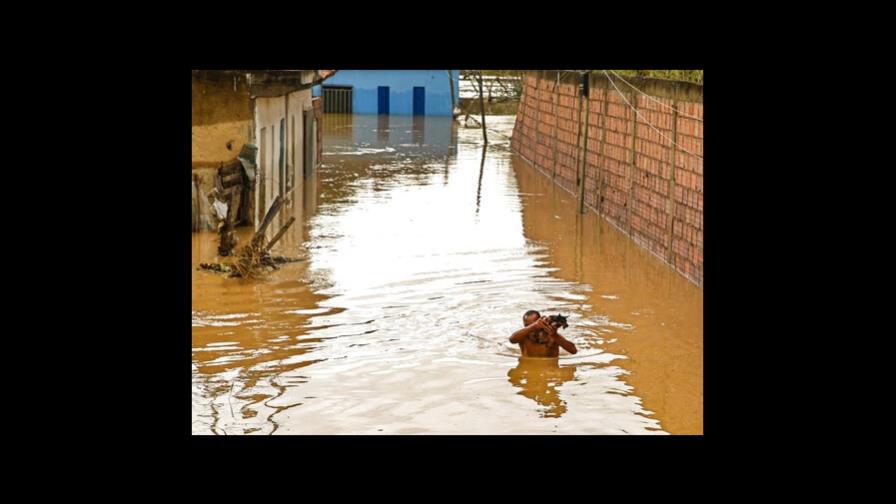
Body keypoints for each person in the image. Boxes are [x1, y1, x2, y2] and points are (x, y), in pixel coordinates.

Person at [509, 310, 577, 357]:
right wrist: (534, 326)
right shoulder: (523, 335)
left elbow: (573, 351)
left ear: (541, 322)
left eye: (534, 324)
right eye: (527, 325)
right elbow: (512, 340)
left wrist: (555, 335)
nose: (531, 328)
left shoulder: (551, 335)